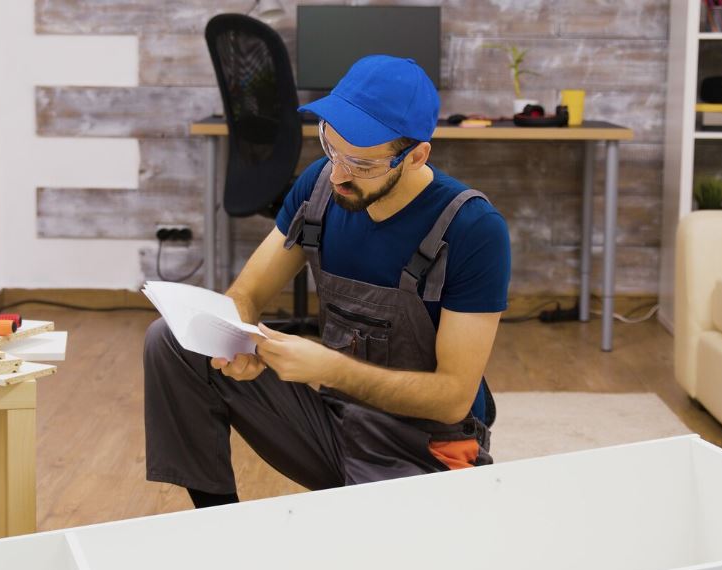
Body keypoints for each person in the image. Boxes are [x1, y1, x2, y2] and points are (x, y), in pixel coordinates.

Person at [143, 55, 511, 509]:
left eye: (361, 163)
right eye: (329, 147)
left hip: (423, 450)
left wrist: (328, 368)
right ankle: (218, 524)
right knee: (173, 342)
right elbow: (248, 294)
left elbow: (454, 398)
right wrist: (231, 344)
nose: (338, 173)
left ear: (416, 156)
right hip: (334, 420)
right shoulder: (320, 186)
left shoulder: (472, 229)